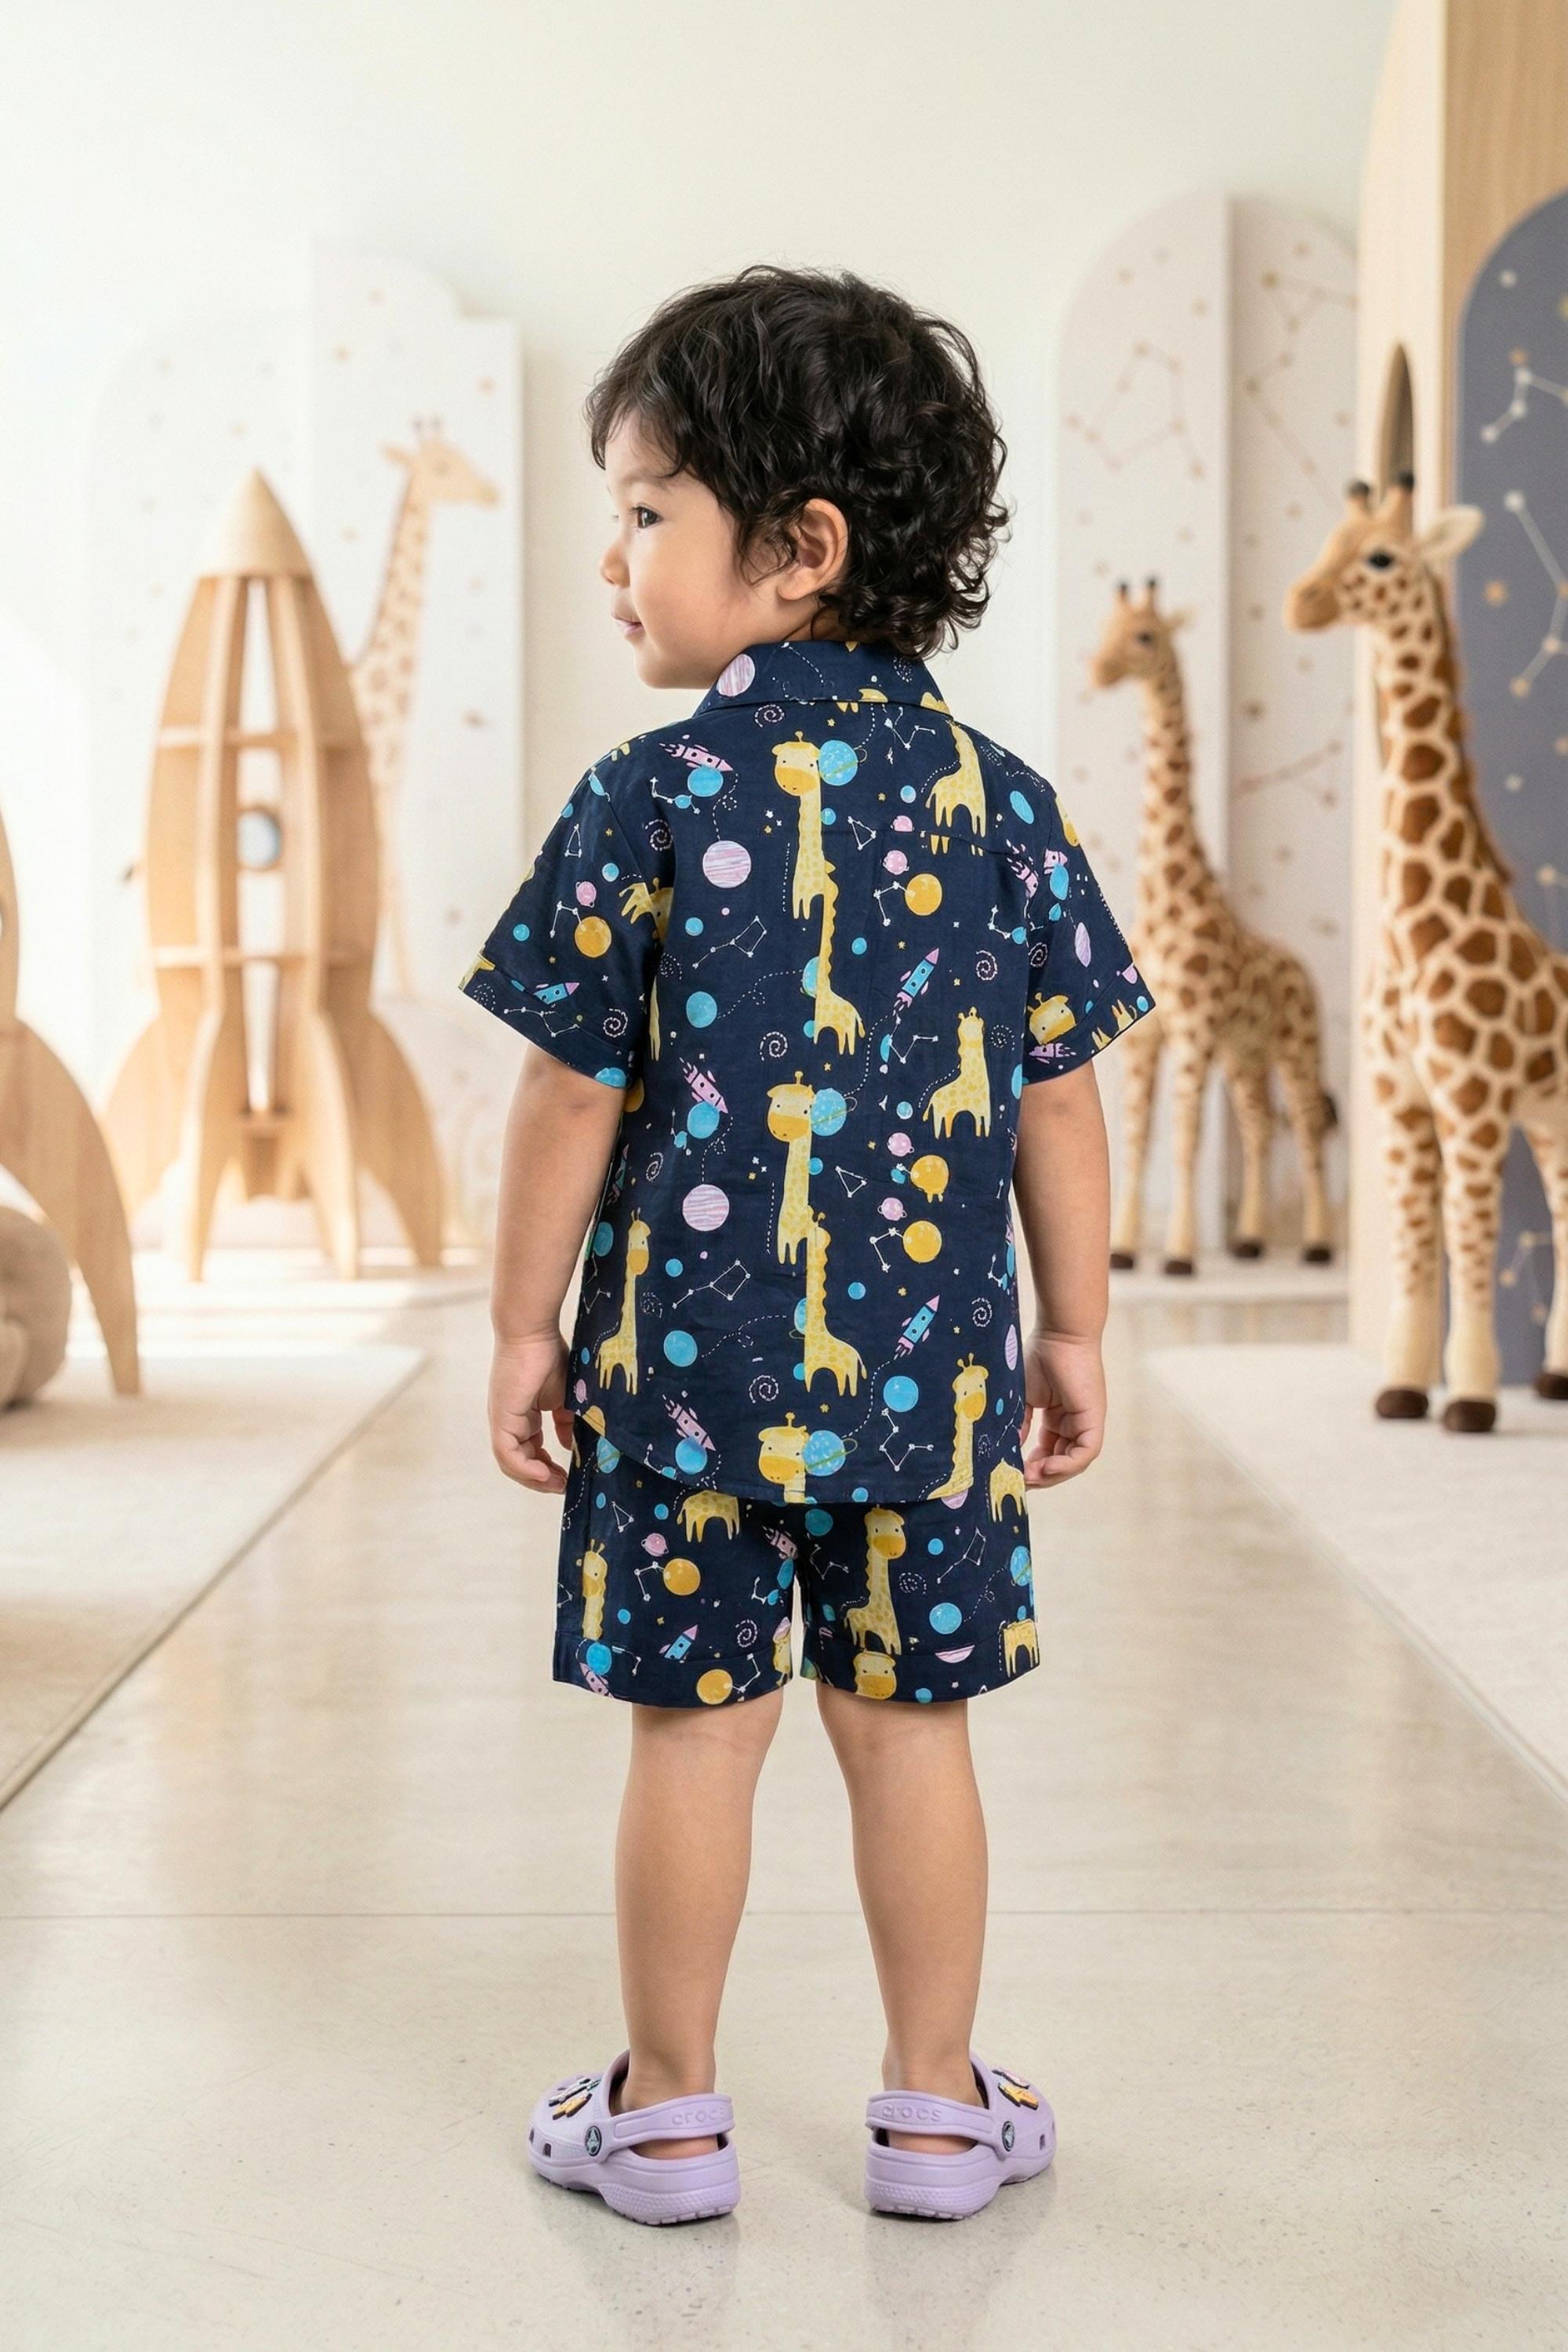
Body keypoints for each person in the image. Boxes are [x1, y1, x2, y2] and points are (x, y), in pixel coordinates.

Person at [459, 264, 1152, 2226]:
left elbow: (567, 1094)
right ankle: (936, 2107)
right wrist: (1075, 1328)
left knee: (697, 1732)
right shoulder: (1002, 808)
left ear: (797, 552)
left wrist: (526, 1327)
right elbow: (1060, 1095)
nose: (614, 554)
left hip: (681, 1381)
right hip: (926, 1388)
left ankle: (666, 2116)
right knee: (906, 1725)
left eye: (647, 509)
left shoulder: (649, 798)